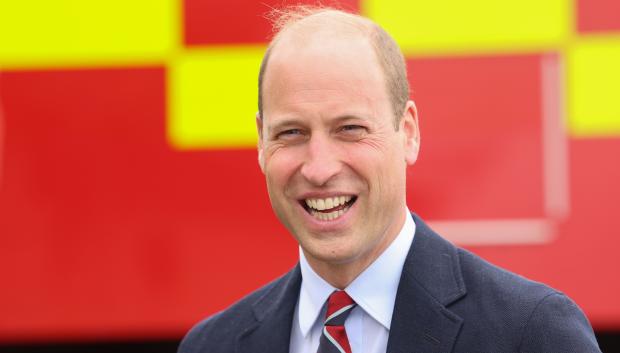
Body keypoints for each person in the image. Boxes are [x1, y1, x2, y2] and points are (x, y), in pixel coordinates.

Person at [179, 6, 601, 353]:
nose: (320, 168)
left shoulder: (532, 334)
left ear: (409, 133)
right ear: (261, 142)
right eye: (292, 133)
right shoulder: (211, 346)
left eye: (350, 129)